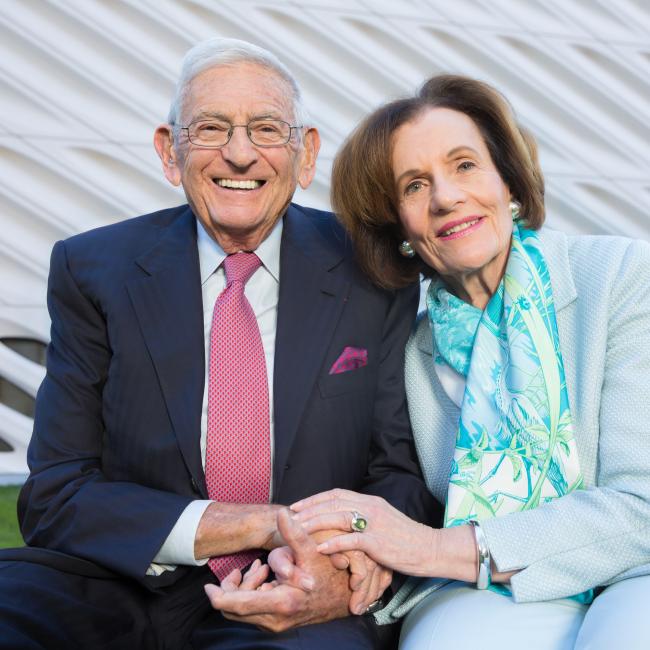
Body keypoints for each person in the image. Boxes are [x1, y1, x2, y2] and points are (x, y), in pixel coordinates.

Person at [0, 38, 440, 650]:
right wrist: (253, 524)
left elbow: (400, 475)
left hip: (296, 588)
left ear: (305, 153)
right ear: (170, 152)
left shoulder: (376, 272)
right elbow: (56, 494)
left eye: (265, 128)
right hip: (121, 579)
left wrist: (339, 574)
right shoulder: (92, 269)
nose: (239, 154)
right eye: (209, 128)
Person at [238, 75, 650, 649]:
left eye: (464, 165)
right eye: (414, 186)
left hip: (639, 567)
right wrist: (339, 564)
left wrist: (437, 549)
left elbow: (643, 506)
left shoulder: (624, 276)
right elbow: (400, 496)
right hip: (496, 584)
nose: (446, 197)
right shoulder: (408, 348)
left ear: (508, 179)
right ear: (399, 229)